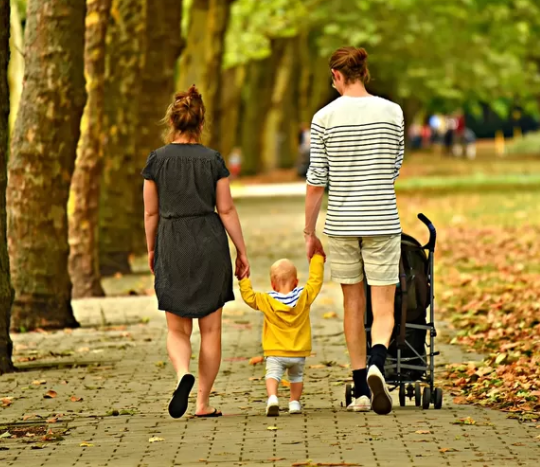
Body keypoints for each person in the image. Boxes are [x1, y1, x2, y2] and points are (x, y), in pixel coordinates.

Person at [303, 46, 404, 415]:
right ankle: (379, 360)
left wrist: (309, 230)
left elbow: (317, 180)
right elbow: (395, 166)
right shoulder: (392, 112)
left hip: (342, 223)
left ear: (337, 76)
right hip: (381, 219)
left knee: (352, 303)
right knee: (383, 304)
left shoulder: (324, 118)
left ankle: (361, 388)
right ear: (364, 72)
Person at [142, 85, 250, 419]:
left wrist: (151, 249)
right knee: (211, 331)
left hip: (172, 241)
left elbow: (150, 213)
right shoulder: (213, 159)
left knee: (177, 330)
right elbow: (227, 210)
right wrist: (242, 251)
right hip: (209, 241)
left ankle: (181, 375)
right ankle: (202, 403)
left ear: (171, 122)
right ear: (201, 124)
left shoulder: (157, 160)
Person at [239, 254, 325, 416]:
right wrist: (317, 259)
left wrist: (244, 279)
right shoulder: (304, 296)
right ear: (296, 282)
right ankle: (294, 403)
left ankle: (272, 398)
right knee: (296, 377)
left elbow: (249, 297)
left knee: (272, 375)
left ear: (272, 284)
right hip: (298, 352)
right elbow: (316, 281)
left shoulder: (266, 299)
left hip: (275, 352)